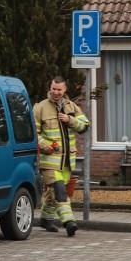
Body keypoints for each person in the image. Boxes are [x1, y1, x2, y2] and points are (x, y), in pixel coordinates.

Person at [33, 76, 90, 236]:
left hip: (67, 160)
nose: (56, 92)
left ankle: (46, 219)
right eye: (53, 89)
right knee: (59, 190)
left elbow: (85, 126)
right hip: (49, 160)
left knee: (54, 192)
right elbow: (34, 133)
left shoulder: (72, 106)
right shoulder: (40, 108)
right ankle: (69, 222)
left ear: (64, 90)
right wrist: (46, 145)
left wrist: (70, 119)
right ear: (50, 88)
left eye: (59, 89)